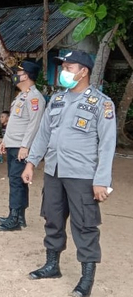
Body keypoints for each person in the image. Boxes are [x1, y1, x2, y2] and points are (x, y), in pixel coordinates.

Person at [22, 51, 115, 297]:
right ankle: (52, 265)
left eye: (69, 67)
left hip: (83, 175)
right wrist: (31, 163)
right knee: (52, 219)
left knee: (85, 225)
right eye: (63, 66)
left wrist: (102, 181)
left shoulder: (102, 104)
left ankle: (86, 280)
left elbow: (107, 145)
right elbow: (44, 134)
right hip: (54, 171)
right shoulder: (57, 99)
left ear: (83, 71)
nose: (64, 71)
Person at [0, 60, 45, 232]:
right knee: (17, 181)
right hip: (13, 144)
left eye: (19, 72)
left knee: (17, 182)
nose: (16, 75)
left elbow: (34, 124)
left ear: (26, 76)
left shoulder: (34, 98)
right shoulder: (22, 95)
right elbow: (15, 123)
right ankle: (19, 216)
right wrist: (5, 141)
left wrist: (25, 146)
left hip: (20, 147)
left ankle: (14, 219)